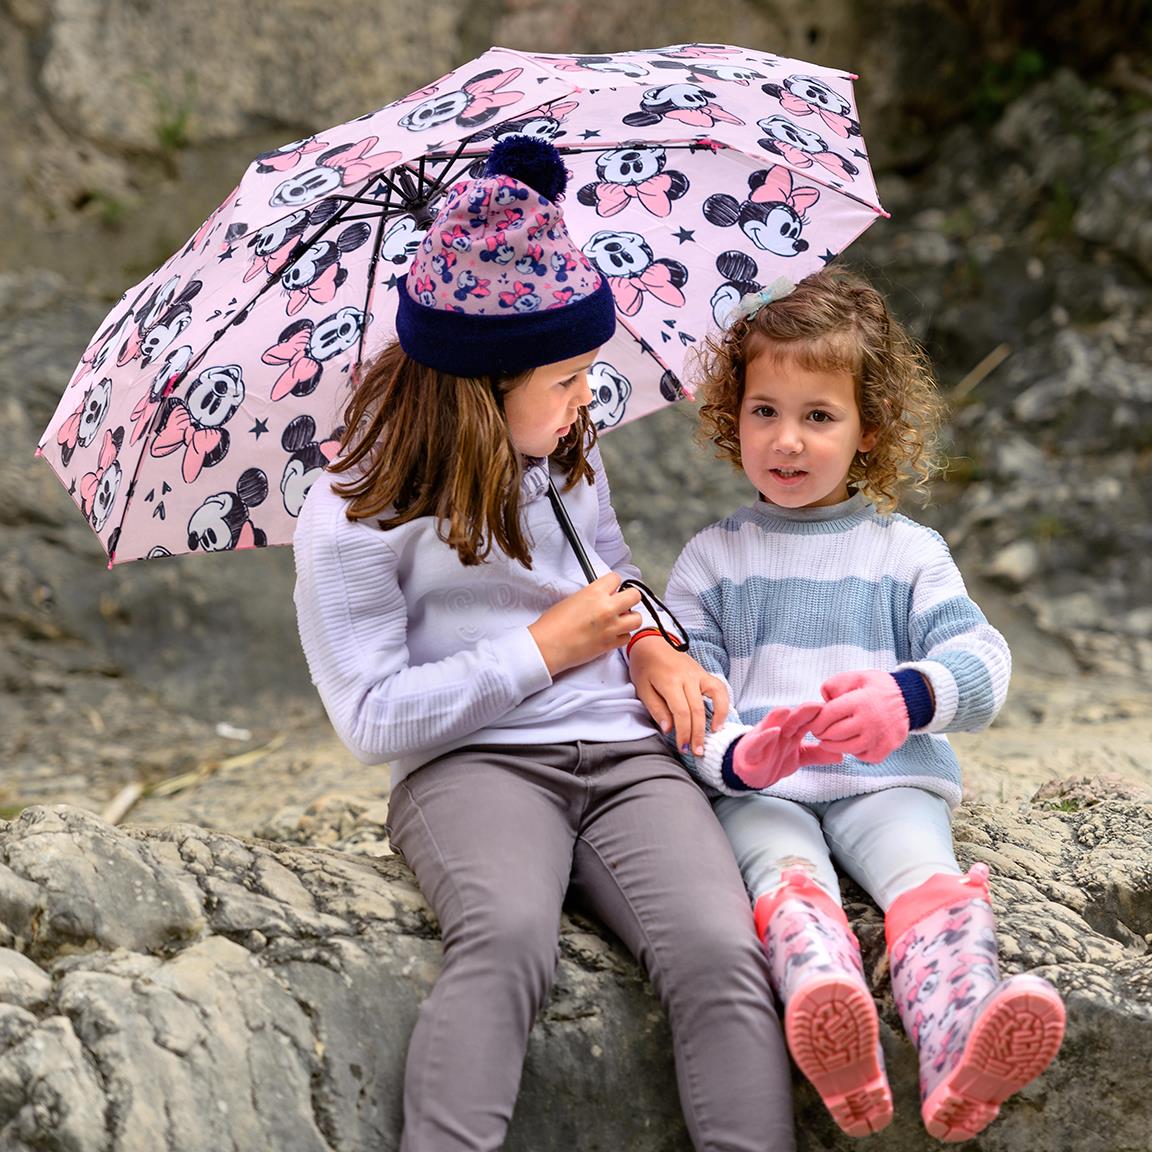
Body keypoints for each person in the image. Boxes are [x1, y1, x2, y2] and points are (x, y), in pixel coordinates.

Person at [291, 136, 796, 1152]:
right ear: (482, 381)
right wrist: (541, 650)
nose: (584, 404)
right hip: (473, 767)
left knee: (716, 947)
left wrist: (650, 643)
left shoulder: (565, 452)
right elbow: (371, 716)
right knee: (510, 938)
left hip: (624, 754)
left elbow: (610, 568)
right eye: (566, 380)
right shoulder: (351, 517)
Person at [664, 266, 1066, 1144]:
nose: (789, 441)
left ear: (868, 430)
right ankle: (825, 1002)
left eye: (819, 416)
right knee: (785, 880)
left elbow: (983, 661)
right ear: (733, 420)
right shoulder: (710, 562)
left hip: (888, 778)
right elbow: (689, 695)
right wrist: (737, 755)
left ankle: (963, 1039)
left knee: (925, 880)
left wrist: (907, 698)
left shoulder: (907, 552)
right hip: (762, 789)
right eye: (764, 410)